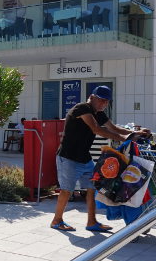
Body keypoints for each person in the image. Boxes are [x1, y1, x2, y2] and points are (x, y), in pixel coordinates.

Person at [50, 85, 150, 232]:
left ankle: (92, 222)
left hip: (85, 158)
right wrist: (122, 138)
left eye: (106, 101)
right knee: (66, 190)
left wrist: (136, 132)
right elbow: (96, 129)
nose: (104, 104)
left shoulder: (99, 113)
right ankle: (56, 221)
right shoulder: (82, 108)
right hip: (68, 158)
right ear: (92, 97)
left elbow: (114, 128)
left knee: (92, 189)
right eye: (101, 100)